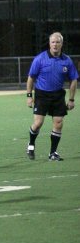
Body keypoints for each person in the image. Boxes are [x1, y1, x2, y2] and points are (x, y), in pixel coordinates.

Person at [26, 32, 78, 161]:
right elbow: (31, 77)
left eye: (58, 42)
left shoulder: (67, 60)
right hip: (42, 94)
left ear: (62, 44)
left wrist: (71, 99)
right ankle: (31, 145)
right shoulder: (40, 59)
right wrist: (29, 96)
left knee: (58, 123)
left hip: (58, 95)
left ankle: (53, 153)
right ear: (49, 44)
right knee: (38, 123)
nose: (55, 44)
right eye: (53, 42)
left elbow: (74, 80)